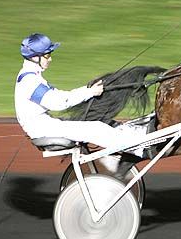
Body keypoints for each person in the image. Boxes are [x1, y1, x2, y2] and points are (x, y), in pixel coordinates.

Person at [14, 33, 143, 172]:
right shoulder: (30, 81)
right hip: (43, 128)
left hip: (45, 124)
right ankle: (138, 148)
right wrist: (89, 93)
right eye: (47, 55)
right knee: (97, 128)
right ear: (34, 57)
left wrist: (87, 90)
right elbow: (58, 102)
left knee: (97, 125)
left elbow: (59, 95)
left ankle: (132, 141)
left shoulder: (32, 76)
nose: (50, 59)